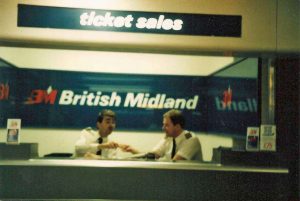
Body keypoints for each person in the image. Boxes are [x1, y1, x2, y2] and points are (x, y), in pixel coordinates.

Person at [124, 109, 203, 161]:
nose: (163, 128)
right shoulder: (168, 137)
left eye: (166, 125)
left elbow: (176, 163)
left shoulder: (190, 138)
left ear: (177, 126)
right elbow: (152, 155)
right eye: (163, 125)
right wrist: (133, 151)